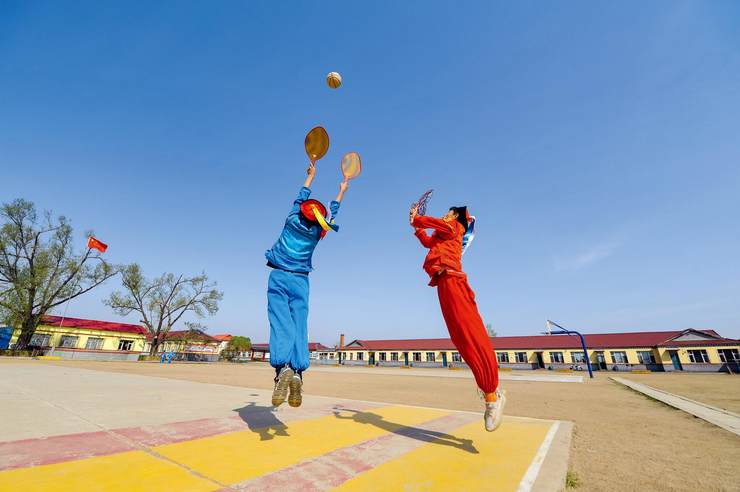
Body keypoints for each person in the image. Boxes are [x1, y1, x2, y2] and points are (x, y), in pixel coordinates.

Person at [410, 204, 505, 431]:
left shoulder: (454, 227)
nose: (446, 215)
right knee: (459, 338)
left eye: (449, 212)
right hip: (443, 283)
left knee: (470, 332)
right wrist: (417, 228)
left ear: (456, 217)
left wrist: (418, 219)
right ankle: (490, 395)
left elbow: (437, 223)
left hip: (453, 280)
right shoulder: (443, 236)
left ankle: (493, 396)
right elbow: (427, 242)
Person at [265, 162, 348, 408]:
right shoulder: (315, 234)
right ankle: (298, 374)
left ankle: (282, 371)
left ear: (301, 212)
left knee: (281, 323)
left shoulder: (291, 220)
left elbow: (300, 197)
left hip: (279, 276)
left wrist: (310, 177)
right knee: (300, 325)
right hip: (301, 281)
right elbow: (332, 214)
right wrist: (342, 189)